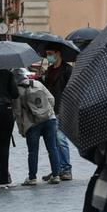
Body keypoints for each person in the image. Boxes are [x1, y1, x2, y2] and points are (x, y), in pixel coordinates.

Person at [13, 71, 62, 186]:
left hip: (32, 123)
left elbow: (18, 113)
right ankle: (56, 175)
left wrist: (22, 129)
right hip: (49, 119)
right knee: (52, 148)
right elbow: (51, 99)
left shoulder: (18, 91)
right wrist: (47, 112)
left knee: (33, 151)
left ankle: (32, 178)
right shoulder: (37, 84)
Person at [41, 48, 73, 181]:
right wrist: (41, 77)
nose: (49, 57)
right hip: (50, 108)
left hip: (62, 107)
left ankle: (66, 169)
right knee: (53, 140)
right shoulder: (49, 69)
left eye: (50, 54)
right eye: (47, 54)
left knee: (60, 138)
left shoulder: (67, 69)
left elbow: (72, 88)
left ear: (58, 53)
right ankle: (57, 169)